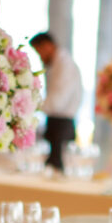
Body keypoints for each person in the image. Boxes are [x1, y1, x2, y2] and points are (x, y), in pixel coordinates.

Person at [30, 32, 82, 171]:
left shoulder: (65, 65)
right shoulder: (58, 64)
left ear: (47, 46)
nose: (40, 56)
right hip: (56, 122)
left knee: (57, 171)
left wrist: (30, 106)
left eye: (38, 51)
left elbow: (58, 101)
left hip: (61, 125)